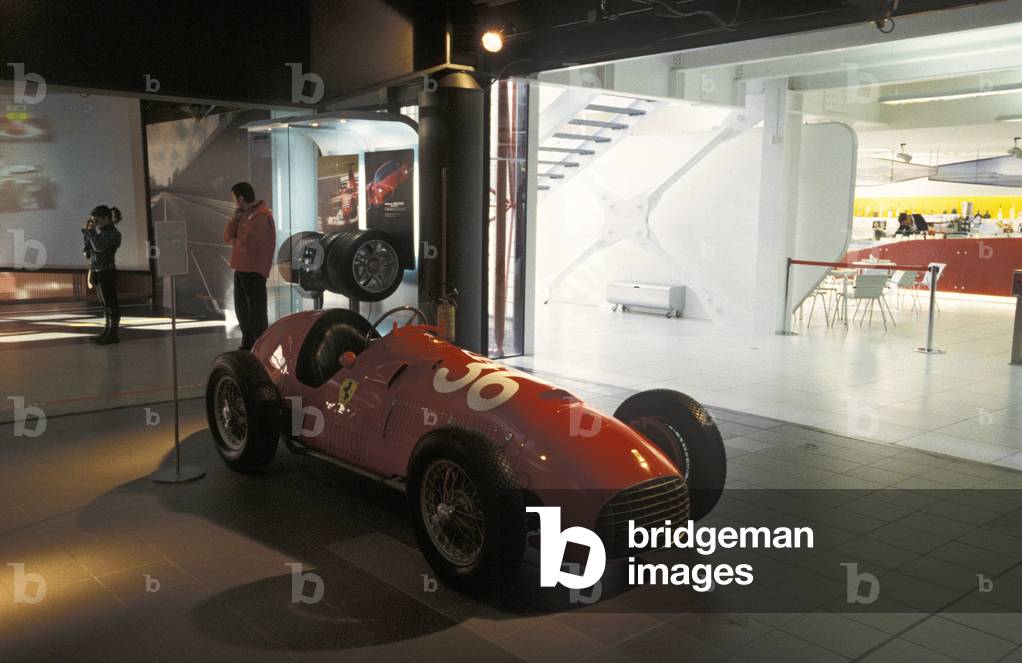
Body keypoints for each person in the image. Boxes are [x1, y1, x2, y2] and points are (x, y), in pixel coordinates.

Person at [224, 182, 275, 351]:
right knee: (243, 309)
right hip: (241, 268)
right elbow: (227, 236)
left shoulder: (261, 216)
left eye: (234, 198)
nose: (233, 202)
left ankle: (260, 346)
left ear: (240, 198)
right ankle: (248, 343)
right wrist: (235, 219)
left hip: (253, 270)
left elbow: (250, 245)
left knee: (256, 311)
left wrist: (234, 241)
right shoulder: (245, 215)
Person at [82, 205, 122, 345]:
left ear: (106, 218)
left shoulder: (114, 234)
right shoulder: (99, 234)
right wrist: (86, 233)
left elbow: (98, 247)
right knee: (104, 305)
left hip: (108, 272)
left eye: (97, 221)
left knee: (111, 304)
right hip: (98, 271)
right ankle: (107, 331)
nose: (96, 224)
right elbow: (88, 253)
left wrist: (91, 233)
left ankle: (113, 333)